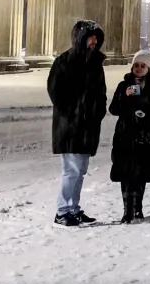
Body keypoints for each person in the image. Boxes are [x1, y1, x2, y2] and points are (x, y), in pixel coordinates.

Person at [46, 20, 109, 227]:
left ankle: (73, 208)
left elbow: (100, 92)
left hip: (88, 125)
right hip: (71, 126)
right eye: (91, 37)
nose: (94, 41)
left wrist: (97, 112)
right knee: (71, 170)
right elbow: (56, 92)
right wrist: (75, 112)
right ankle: (63, 211)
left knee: (80, 170)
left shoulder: (95, 63)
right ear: (81, 38)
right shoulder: (65, 61)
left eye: (96, 38)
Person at [109, 50, 150, 223]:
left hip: (146, 134)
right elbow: (113, 109)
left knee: (141, 172)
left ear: (148, 68)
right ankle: (127, 209)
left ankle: (138, 208)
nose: (139, 68)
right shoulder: (124, 85)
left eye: (143, 65)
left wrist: (147, 108)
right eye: (136, 65)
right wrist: (125, 97)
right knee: (126, 172)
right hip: (125, 134)